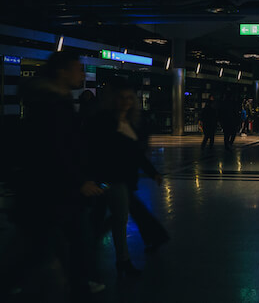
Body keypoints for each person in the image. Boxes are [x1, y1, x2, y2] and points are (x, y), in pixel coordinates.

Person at [15, 51, 104, 301]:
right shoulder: (53, 105)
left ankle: (76, 282)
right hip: (57, 188)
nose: (82, 73)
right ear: (62, 72)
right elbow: (57, 149)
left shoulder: (52, 100)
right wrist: (79, 180)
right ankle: (79, 284)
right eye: (77, 68)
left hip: (51, 187)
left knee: (45, 240)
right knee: (74, 238)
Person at [89, 78, 169, 278]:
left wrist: (153, 173)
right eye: (121, 98)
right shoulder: (104, 122)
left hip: (120, 180)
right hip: (110, 180)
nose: (126, 102)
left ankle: (110, 260)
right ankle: (120, 261)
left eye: (129, 98)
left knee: (111, 218)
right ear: (113, 100)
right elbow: (96, 151)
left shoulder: (131, 124)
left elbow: (137, 155)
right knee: (116, 219)